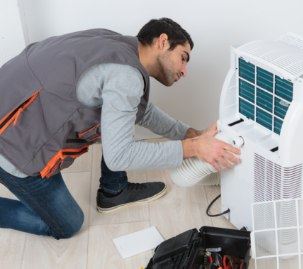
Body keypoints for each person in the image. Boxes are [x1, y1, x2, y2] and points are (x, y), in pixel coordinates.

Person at [0, 18, 240, 239]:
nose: (184, 71)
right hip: (13, 146)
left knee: (119, 118)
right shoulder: (126, 75)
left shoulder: (115, 45)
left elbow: (137, 109)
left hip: (15, 115)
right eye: (183, 57)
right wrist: (193, 148)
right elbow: (119, 156)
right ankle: (111, 191)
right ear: (163, 41)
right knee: (68, 224)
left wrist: (190, 134)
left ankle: (113, 191)